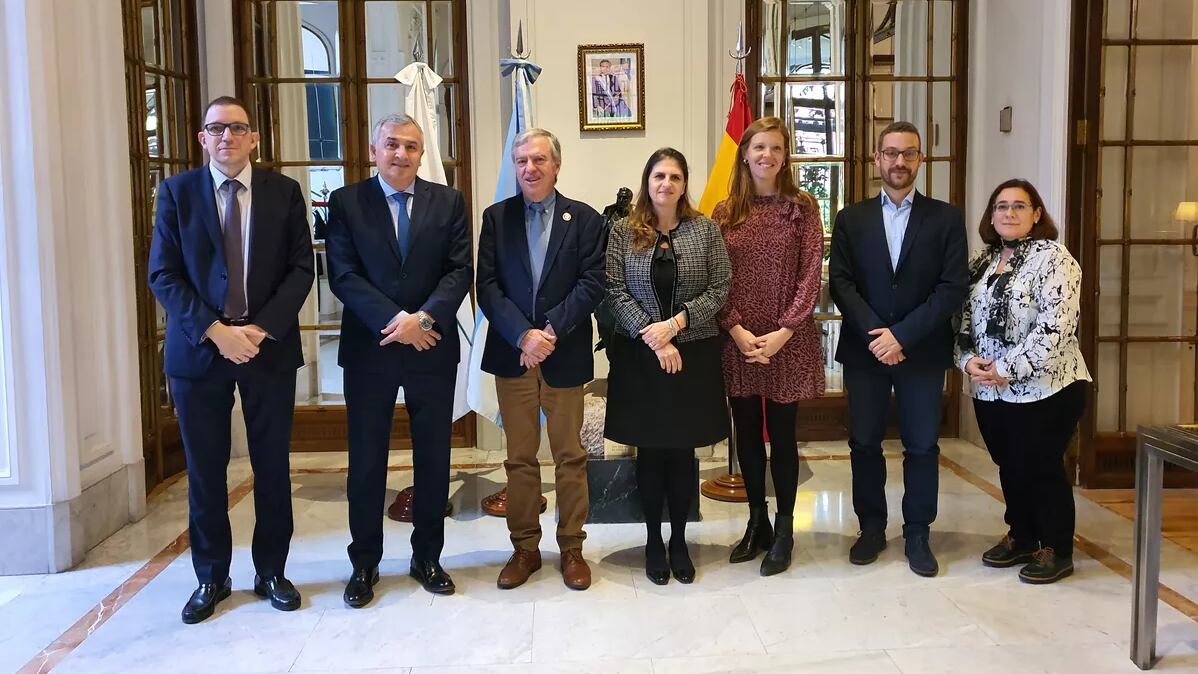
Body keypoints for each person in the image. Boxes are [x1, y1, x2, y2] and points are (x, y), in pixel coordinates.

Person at [148, 95, 314, 624]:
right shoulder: (176, 194)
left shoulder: (284, 193)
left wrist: (259, 330)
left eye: (237, 129)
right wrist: (217, 331)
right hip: (200, 352)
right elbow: (163, 274)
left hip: (267, 349)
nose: (227, 137)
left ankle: (271, 571)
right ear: (202, 138)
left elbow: (300, 269)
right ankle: (211, 576)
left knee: (271, 466)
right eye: (216, 129)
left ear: (254, 138)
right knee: (205, 469)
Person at [324, 113, 472, 605]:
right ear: (373, 150)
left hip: (431, 346)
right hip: (372, 349)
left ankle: (427, 556)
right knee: (367, 461)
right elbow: (343, 275)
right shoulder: (346, 202)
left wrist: (423, 321)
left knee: (434, 457)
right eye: (391, 144)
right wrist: (397, 323)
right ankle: (364, 563)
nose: (401, 154)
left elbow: (459, 271)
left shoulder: (448, 201)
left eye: (411, 146)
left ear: (421, 153)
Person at [828, 121, 968, 577]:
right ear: (877, 160)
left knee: (922, 445)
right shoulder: (852, 218)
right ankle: (870, 528)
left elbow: (951, 288)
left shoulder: (946, 218)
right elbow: (841, 284)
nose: (899, 162)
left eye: (908, 154)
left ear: (920, 161)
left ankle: (917, 533)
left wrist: (902, 336)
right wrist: (878, 335)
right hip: (866, 351)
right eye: (890, 153)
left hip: (921, 351)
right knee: (864, 442)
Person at [477, 128, 607, 591]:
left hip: (563, 353)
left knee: (571, 454)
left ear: (556, 165)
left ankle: (571, 547)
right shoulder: (496, 219)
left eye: (539, 160)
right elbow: (486, 287)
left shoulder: (587, 220)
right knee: (519, 457)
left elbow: (593, 283)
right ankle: (525, 548)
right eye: (522, 161)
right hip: (514, 355)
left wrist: (550, 331)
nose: (530, 168)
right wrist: (523, 335)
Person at [605, 147, 732, 585]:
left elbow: (720, 287)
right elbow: (614, 290)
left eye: (675, 177)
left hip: (692, 356)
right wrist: (654, 336)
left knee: (681, 454)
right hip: (641, 357)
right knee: (650, 454)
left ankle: (679, 539)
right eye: (659, 175)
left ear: (684, 184)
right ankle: (653, 540)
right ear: (647, 180)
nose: (666, 184)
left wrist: (677, 324)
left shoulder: (706, 230)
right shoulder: (623, 231)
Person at [956, 178, 1091, 584]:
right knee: (1009, 465)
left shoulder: (1055, 258)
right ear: (991, 216)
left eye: (1019, 206)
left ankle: (1055, 547)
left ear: (1036, 215)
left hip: (1048, 386)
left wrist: (1007, 368)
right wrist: (967, 361)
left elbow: (1056, 327)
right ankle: (1022, 534)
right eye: (1001, 206)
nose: (1009, 213)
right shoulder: (981, 261)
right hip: (990, 389)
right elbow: (963, 322)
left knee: (1042, 465)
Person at [713, 116, 825, 576]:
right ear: (745, 153)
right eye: (759, 147)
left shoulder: (802, 208)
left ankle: (784, 529)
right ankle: (755, 520)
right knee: (746, 438)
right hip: (737, 340)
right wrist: (736, 329)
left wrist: (783, 332)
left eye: (776, 148)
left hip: (787, 342)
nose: (767, 156)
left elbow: (810, 274)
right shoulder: (724, 212)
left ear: (785, 156)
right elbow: (714, 277)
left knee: (781, 436)